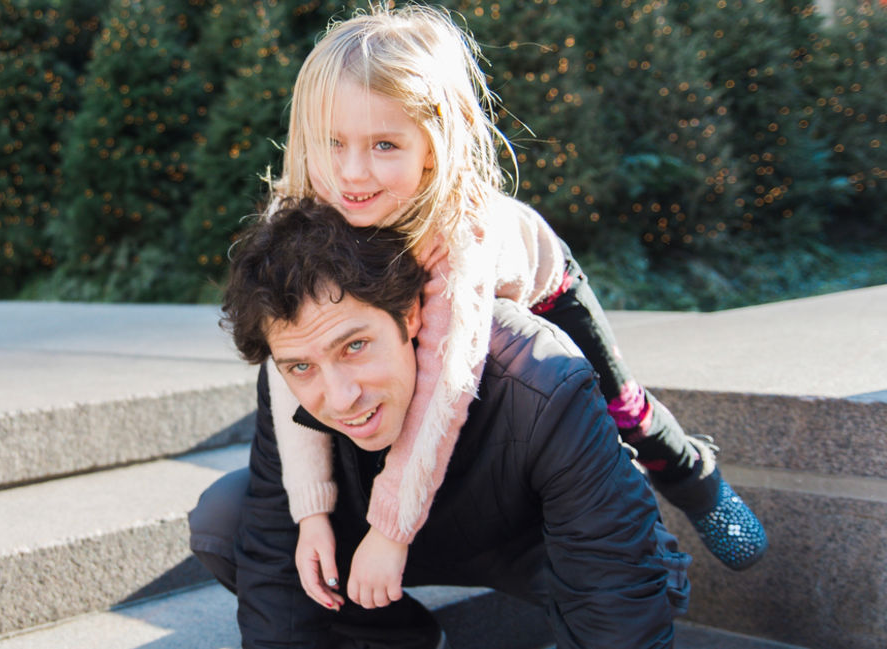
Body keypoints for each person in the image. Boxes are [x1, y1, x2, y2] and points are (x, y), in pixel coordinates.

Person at [260, 4, 766, 612]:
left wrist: (391, 533)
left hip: (547, 291)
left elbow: (444, 389)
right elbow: (288, 361)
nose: (352, 173)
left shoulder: (459, 235)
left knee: (623, 410)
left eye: (385, 144)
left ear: (432, 146)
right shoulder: (305, 215)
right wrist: (312, 509)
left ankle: (693, 479)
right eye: (332, 143)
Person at [190, 199, 691, 648]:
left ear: (409, 314)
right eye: (301, 366)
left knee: (648, 578)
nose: (340, 397)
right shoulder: (291, 371)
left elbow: (614, 591)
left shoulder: (538, 376)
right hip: (383, 535)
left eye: (355, 345)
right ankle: (405, 639)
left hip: (531, 537)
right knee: (225, 520)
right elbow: (272, 553)